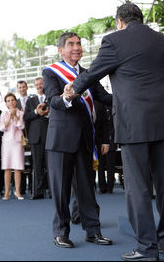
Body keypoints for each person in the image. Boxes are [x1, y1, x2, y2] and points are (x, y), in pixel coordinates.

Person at [67, 3, 164, 261]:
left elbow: (93, 73)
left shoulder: (114, 41)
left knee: (137, 187)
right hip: (162, 119)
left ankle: (146, 248)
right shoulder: (160, 40)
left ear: (119, 21)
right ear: (139, 18)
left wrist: (72, 89)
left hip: (133, 123)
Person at [43, 31, 112, 249]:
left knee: (87, 189)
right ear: (61, 50)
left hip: (85, 140)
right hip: (60, 140)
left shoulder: (88, 73)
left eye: (79, 44)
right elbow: (53, 100)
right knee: (61, 190)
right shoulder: (51, 72)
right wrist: (66, 97)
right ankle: (60, 233)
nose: (77, 47)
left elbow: (105, 98)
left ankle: (93, 231)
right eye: (71, 44)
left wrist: (131, 96)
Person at [23, 77, 50, 199]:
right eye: (37, 84)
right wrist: (36, 112)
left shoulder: (51, 97)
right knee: (37, 166)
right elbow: (26, 117)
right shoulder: (30, 101)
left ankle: (52, 191)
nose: (39, 86)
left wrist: (47, 113)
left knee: (51, 166)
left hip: (50, 136)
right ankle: (38, 192)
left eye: (41, 84)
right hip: (35, 138)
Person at [0, 92, 26, 200]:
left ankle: (18, 191)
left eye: (12, 100)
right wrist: (10, 117)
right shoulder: (4, 114)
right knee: (7, 167)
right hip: (6, 143)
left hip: (18, 142)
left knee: (18, 167)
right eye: (8, 101)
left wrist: (15, 117)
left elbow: (21, 126)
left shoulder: (21, 113)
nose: (11, 102)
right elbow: (1, 128)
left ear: (16, 101)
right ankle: (6, 192)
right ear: (6, 103)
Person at [16, 80, 32, 196]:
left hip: (32, 133)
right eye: (19, 88)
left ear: (26, 88)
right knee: (20, 162)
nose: (22, 89)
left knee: (32, 162)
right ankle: (20, 189)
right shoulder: (14, 102)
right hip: (19, 135)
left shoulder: (33, 100)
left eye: (23, 87)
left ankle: (32, 187)